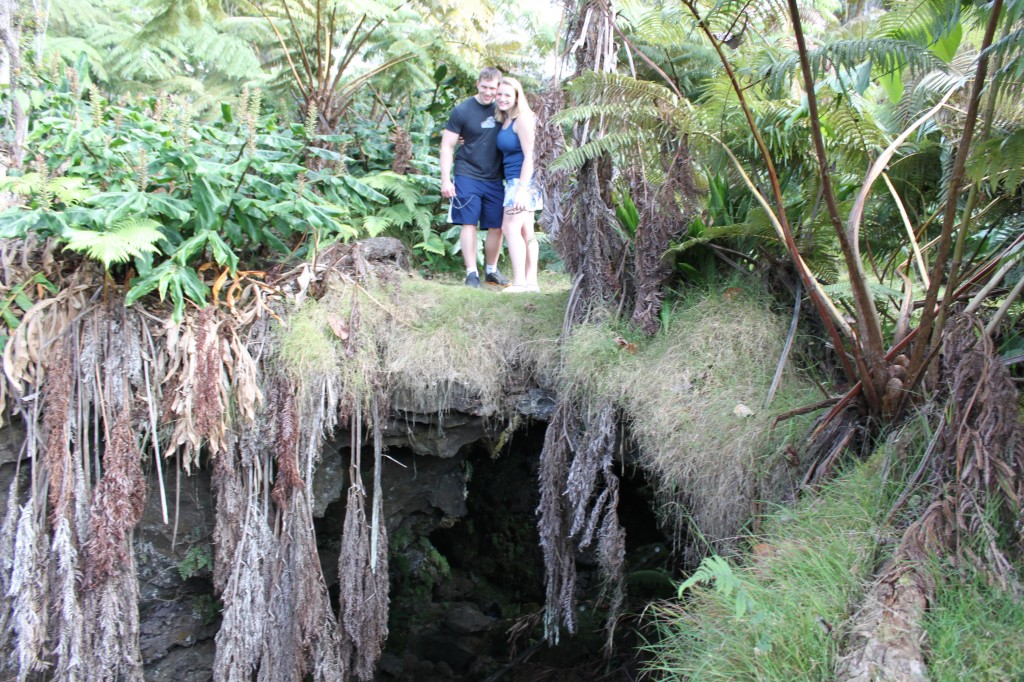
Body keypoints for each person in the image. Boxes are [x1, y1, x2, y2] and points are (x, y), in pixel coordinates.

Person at [439, 67, 509, 287]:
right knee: (468, 223)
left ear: (499, 88)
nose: (489, 92)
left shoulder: (504, 108)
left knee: (497, 226)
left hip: (494, 177)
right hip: (467, 173)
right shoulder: (462, 110)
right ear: (477, 84)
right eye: (485, 87)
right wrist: (445, 180)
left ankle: (491, 270)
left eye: (493, 88)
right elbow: (447, 146)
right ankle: (471, 273)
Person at [494, 77, 542, 293]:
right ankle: (531, 283)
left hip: (523, 181)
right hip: (515, 181)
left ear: (516, 97)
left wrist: (522, 190)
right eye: (500, 94)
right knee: (526, 231)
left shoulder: (522, 119)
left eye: (507, 94)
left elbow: (530, 156)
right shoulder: (506, 120)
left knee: (510, 228)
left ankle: (520, 282)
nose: (502, 98)